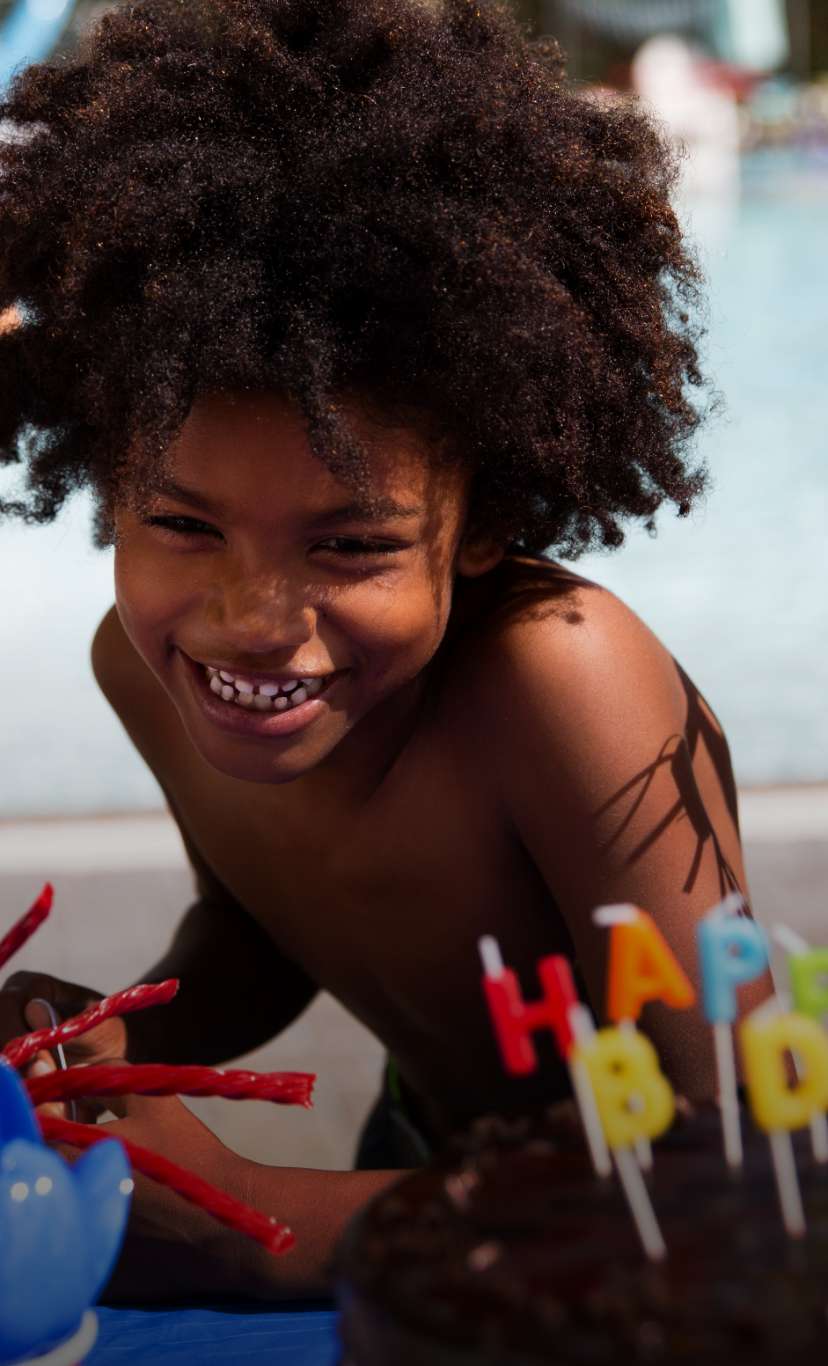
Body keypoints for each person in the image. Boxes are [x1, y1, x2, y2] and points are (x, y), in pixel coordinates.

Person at [0, 0, 769, 1301]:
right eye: (181, 521)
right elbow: (279, 919)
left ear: (489, 519)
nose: (253, 616)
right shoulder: (144, 667)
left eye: (351, 544)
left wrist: (251, 1214)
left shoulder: (560, 678)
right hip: (419, 1172)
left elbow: (744, 1177)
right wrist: (119, 1040)